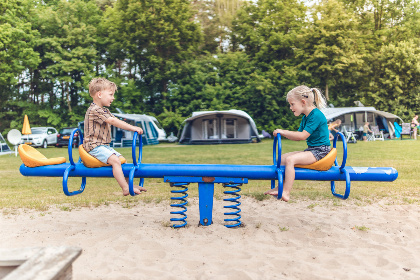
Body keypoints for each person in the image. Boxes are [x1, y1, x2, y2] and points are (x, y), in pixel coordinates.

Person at [264, 85, 330, 202]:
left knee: (290, 160)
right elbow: (297, 137)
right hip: (313, 149)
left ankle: (286, 192)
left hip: (321, 151)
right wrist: (283, 133)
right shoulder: (306, 117)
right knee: (282, 159)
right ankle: (280, 187)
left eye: (292, 104)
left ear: (303, 102)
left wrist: (283, 131)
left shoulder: (316, 115)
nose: (290, 107)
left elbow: (302, 136)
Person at [83, 78, 147, 196]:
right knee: (115, 161)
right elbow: (113, 121)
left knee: (122, 160)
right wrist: (133, 128)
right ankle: (125, 188)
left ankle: (130, 184)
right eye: (111, 94)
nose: (113, 98)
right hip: (93, 146)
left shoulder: (104, 110)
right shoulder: (95, 110)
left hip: (103, 146)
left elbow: (115, 119)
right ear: (99, 94)